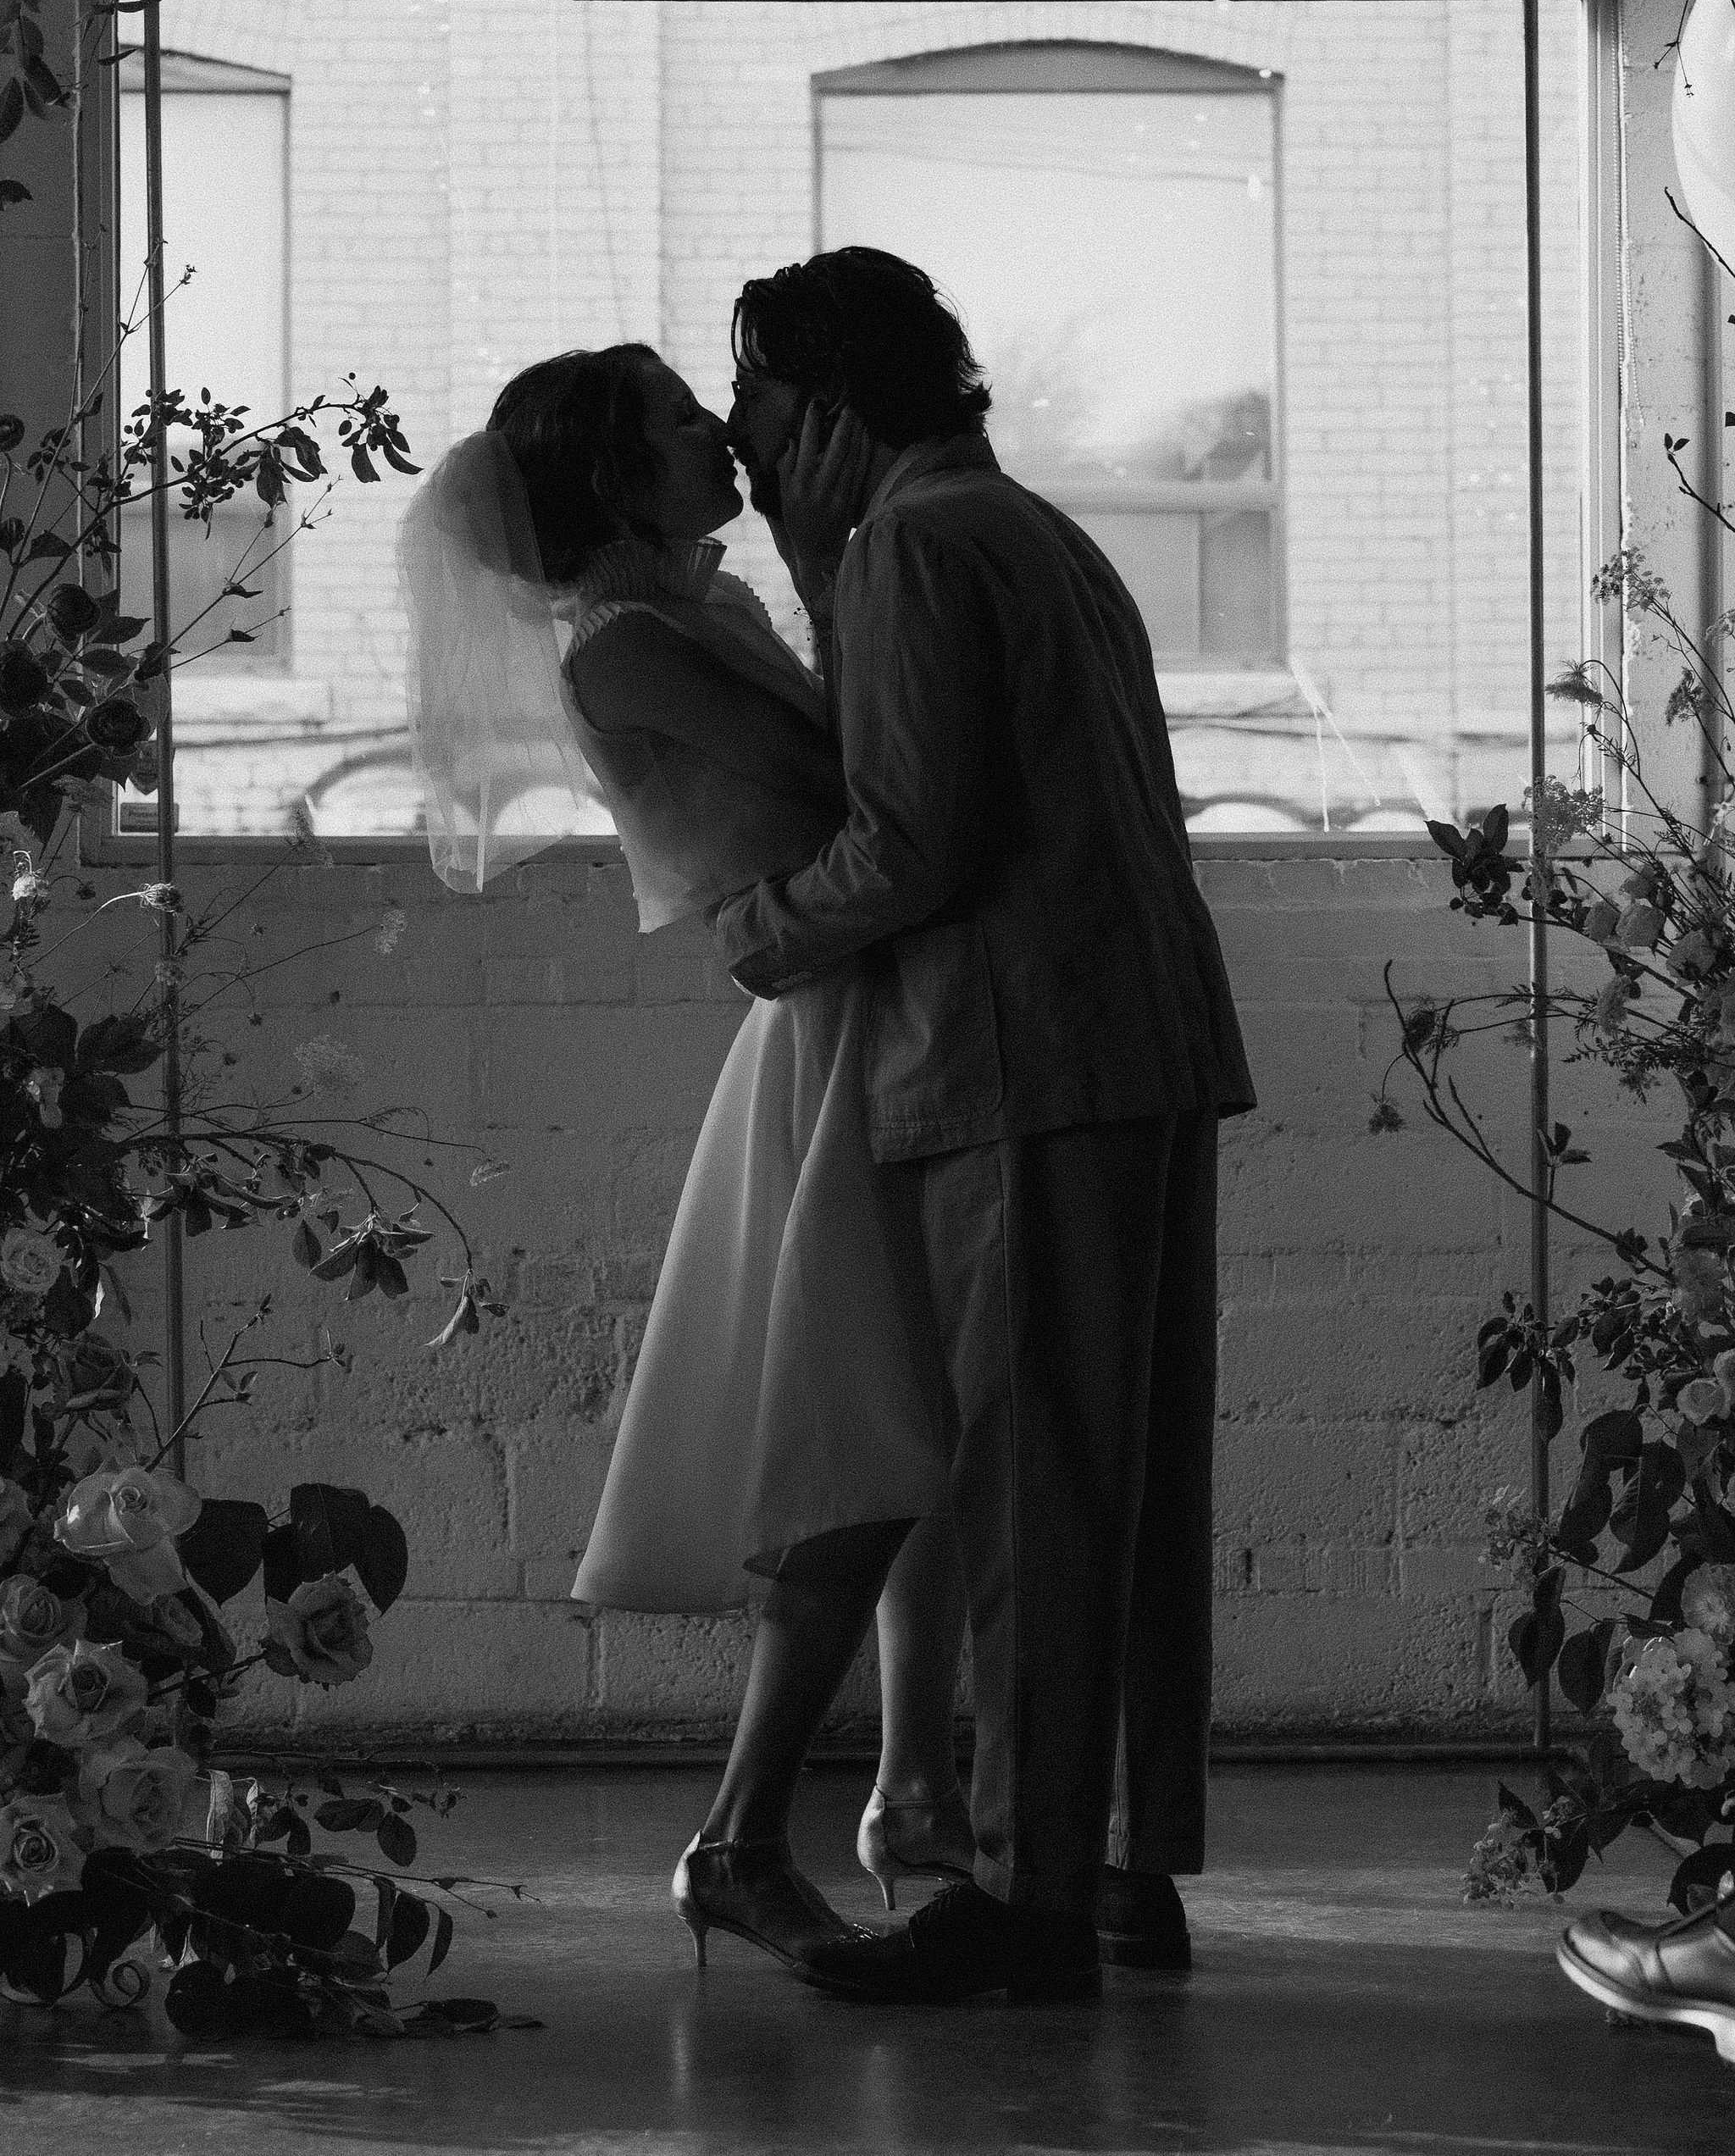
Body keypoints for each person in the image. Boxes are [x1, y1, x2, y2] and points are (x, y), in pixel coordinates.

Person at [710, 247, 1257, 2005]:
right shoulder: (1029, 530)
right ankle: (1115, 1862)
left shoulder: (914, 550)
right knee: (1124, 1482)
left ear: (836, 405)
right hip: (1140, 1041)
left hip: (1019, 1060)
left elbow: (910, 836)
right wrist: (817, 570)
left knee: (1025, 1487)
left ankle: (1017, 1898)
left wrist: (760, 931)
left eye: (762, 401)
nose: (739, 437)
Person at [397, 341, 977, 1976]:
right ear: (609, 479)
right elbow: (847, 778)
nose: (714, 429)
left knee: (915, 1426)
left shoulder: (688, 613)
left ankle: (915, 1783)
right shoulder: (629, 645)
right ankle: (740, 1832)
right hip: (827, 1026)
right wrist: (820, 572)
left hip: (863, 1000)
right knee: (867, 1439)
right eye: (671, 418)